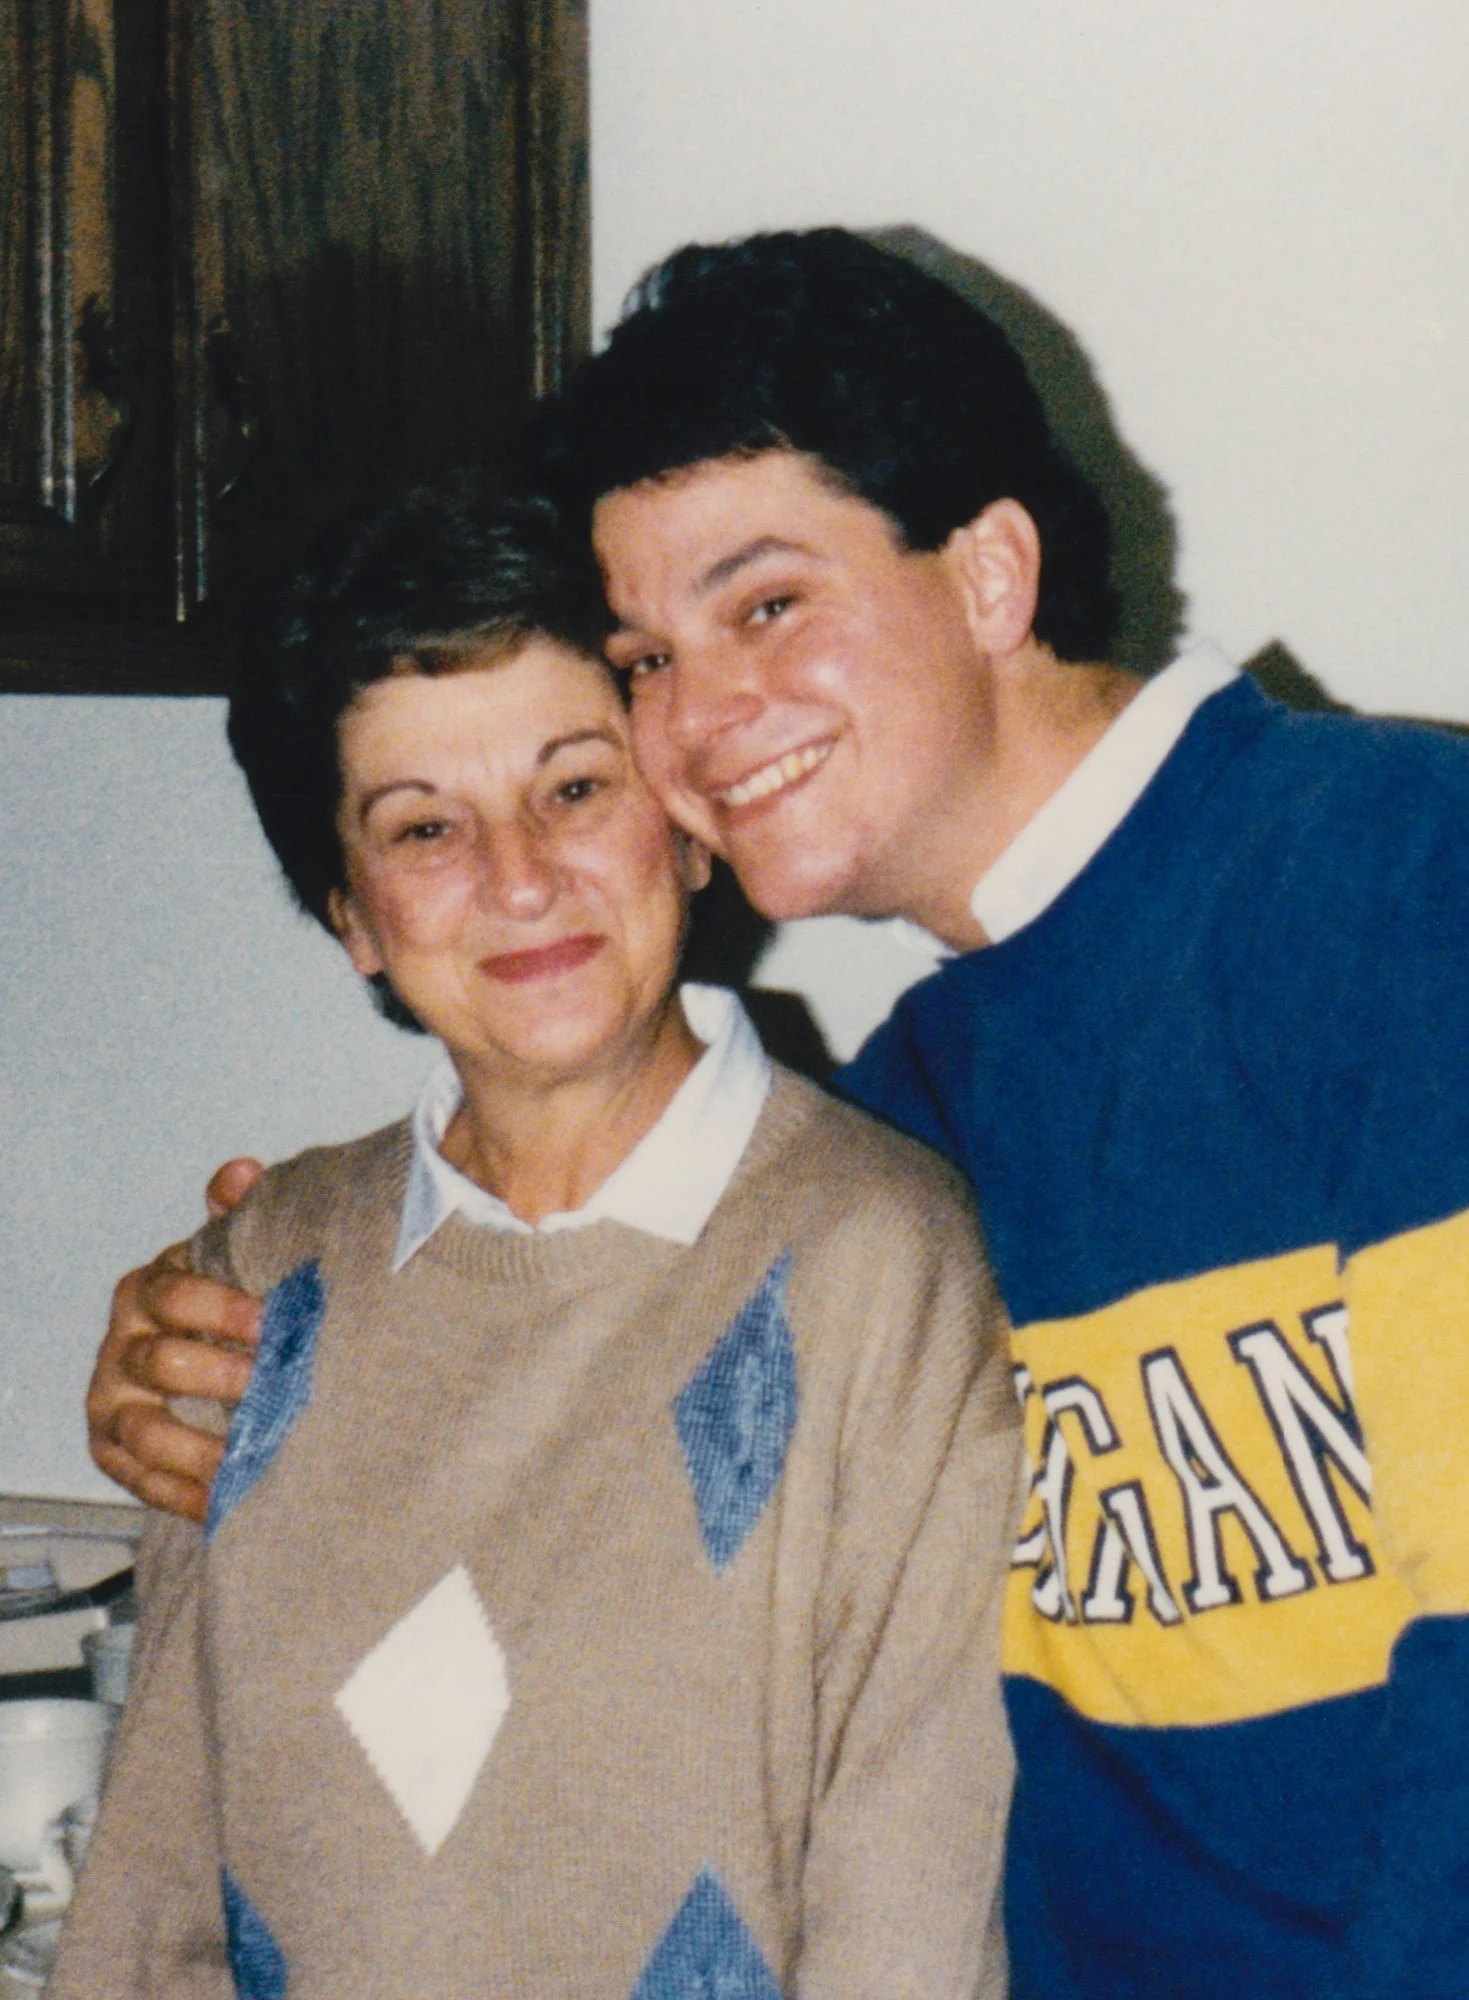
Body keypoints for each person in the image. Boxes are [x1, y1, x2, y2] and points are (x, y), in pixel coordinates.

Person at [87, 230, 1469, 1999]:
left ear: (988, 576)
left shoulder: (1393, 886)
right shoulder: (927, 1112)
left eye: (765, 605)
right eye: (647, 655)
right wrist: (177, 1356)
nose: (702, 718)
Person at [50, 475, 1020, 2000]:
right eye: (422, 827)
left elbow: (916, 1906)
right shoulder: (255, 1275)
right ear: (351, 916)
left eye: (575, 789)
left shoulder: (879, 1263)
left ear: (687, 831)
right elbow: (151, 1885)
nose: (519, 877)